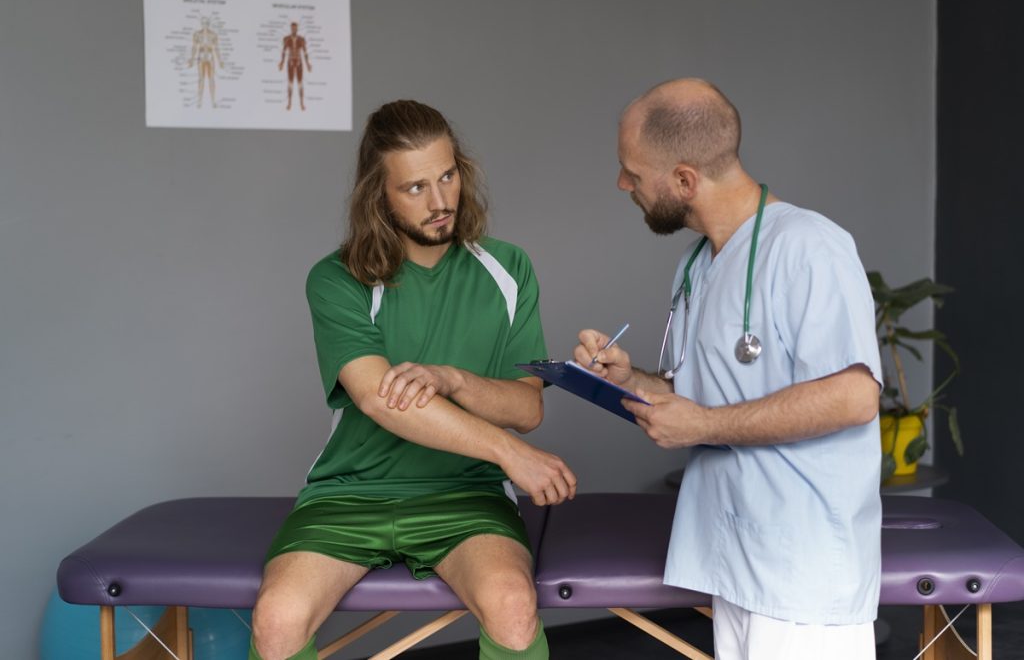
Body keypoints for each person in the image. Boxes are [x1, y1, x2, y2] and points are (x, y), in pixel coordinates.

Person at [248, 100, 575, 660]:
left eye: (447, 176)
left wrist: (452, 379)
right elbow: (381, 400)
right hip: (350, 493)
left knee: (513, 605)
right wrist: (510, 453)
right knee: (277, 618)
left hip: (467, 493)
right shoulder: (336, 279)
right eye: (416, 188)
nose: (442, 201)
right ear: (379, 195)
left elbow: (527, 409)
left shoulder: (509, 268)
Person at [575, 78, 882, 659]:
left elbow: (854, 397)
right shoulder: (698, 263)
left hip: (802, 570)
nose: (622, 184)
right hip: (735, 558)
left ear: (685, 180)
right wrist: (629, 379)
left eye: (633, 173)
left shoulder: (809, 247)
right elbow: (700, 392)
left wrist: (704, 427)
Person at [278, 22, 312, 111]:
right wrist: (281, 62)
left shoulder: (301, 39)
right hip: (290, 62)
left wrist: (308, 64)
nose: (294, 30)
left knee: (300, 83)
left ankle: (301, 103)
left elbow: (305, 52)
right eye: (292, 28)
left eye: (295, 28)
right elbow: (284, 51)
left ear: (297, 29)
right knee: (290, 83)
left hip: (299, 62)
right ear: (291, 29)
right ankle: (289, 103)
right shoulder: (286, 39)